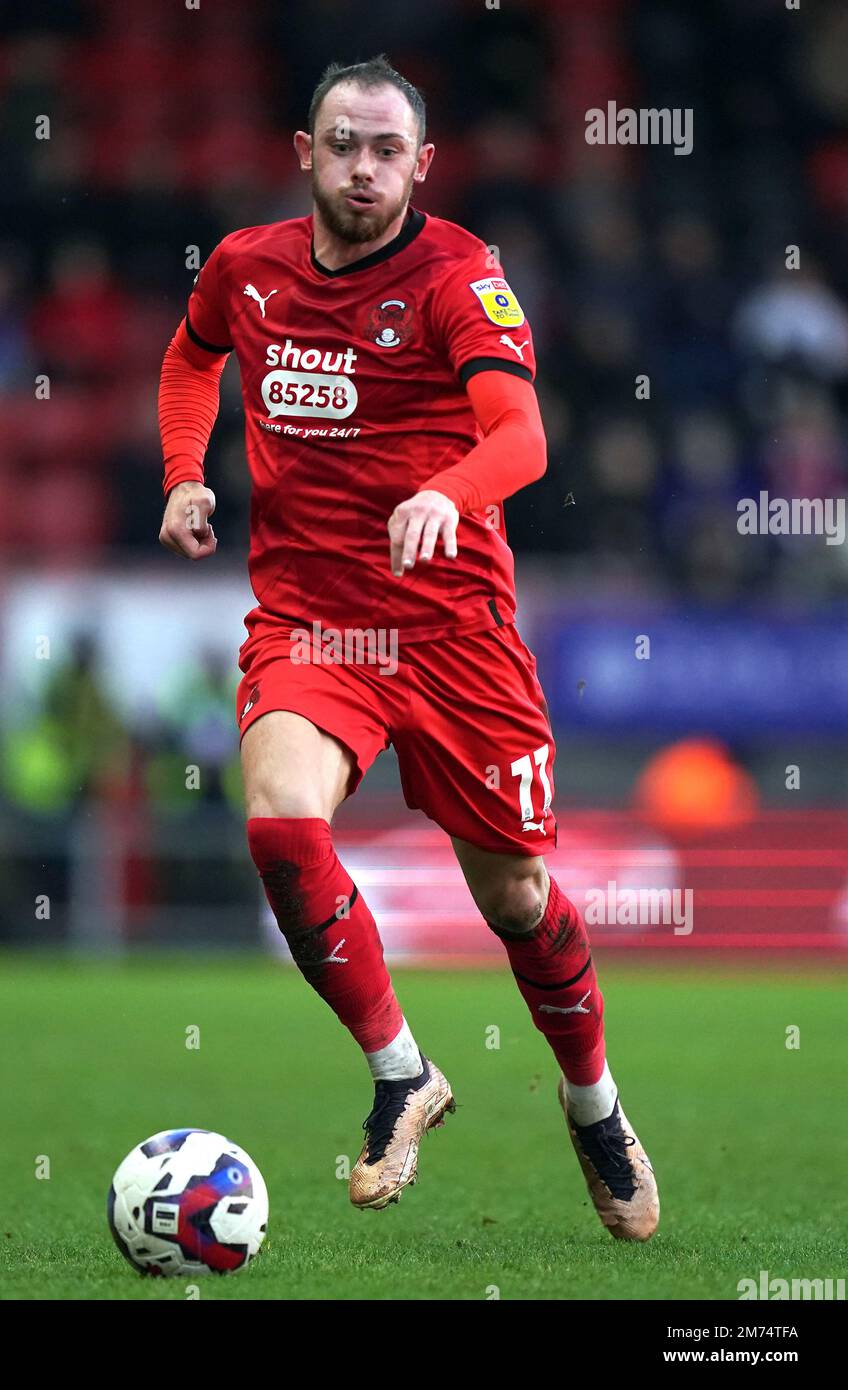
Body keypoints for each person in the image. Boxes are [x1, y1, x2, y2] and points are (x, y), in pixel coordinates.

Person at [157, 56, 657, 1239]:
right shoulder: (247, 266)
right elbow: (191, 354)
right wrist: (183, 474)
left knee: (519, 896)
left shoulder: (458, 277)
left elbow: (525, 434)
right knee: (281, 819)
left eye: (388, 149)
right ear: (305, 150)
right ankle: (401, 1076)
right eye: (344, 144)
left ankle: (593, 1103)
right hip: (311, 624)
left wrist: (451, 488)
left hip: (452, 634)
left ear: (422, 163)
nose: (365, 167)